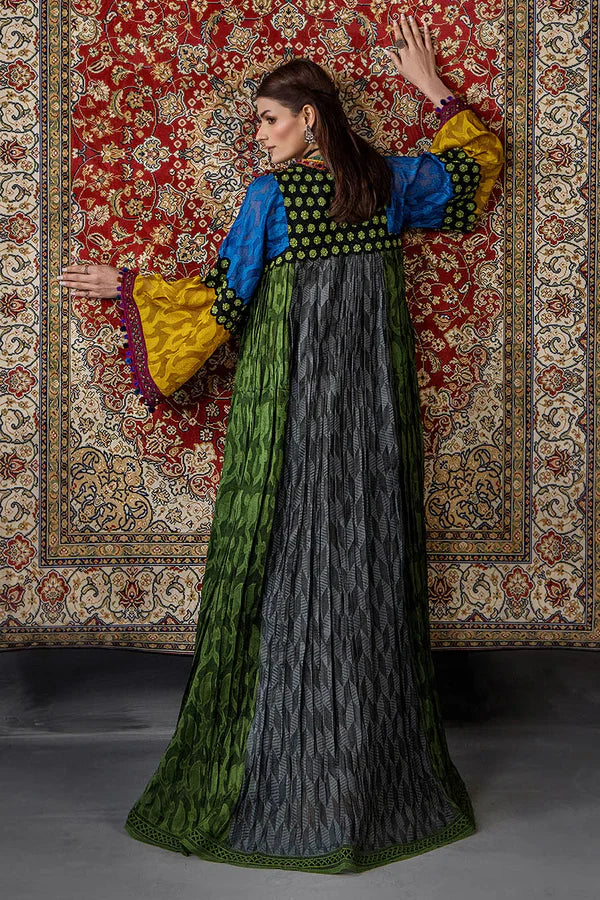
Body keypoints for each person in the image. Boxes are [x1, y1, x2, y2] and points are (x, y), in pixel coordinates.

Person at [59, 14, 504, 874]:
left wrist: (132, 286)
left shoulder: (272, 199)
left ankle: (287, 771)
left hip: (291, 416)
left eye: (268, 118)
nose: (259, 135)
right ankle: (361, 781)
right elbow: (472, 168)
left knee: (289, 565)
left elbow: (224, 302)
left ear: (309, 117)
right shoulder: (385, 184)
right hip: (373, 419)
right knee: (360, 568)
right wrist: (435, 90)